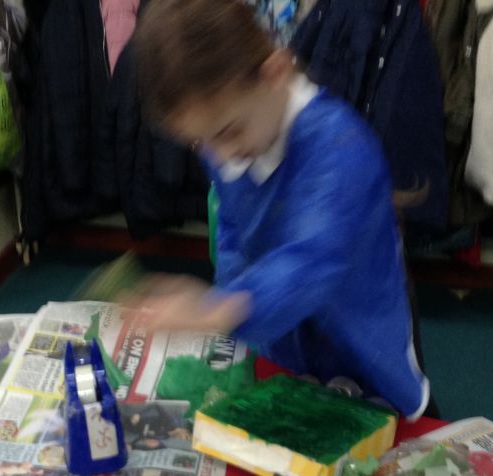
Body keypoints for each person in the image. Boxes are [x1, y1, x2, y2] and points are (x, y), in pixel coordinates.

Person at [129, 0, 431, 419]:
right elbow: (233, 231)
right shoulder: (229, 139)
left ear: (276, 73)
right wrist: (228, 292)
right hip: (285, 343)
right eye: (201, 142)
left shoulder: (342, 146)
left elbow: (310, 262)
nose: (220, 155)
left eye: (227, 132)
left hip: (363, 348)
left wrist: (219, 309)